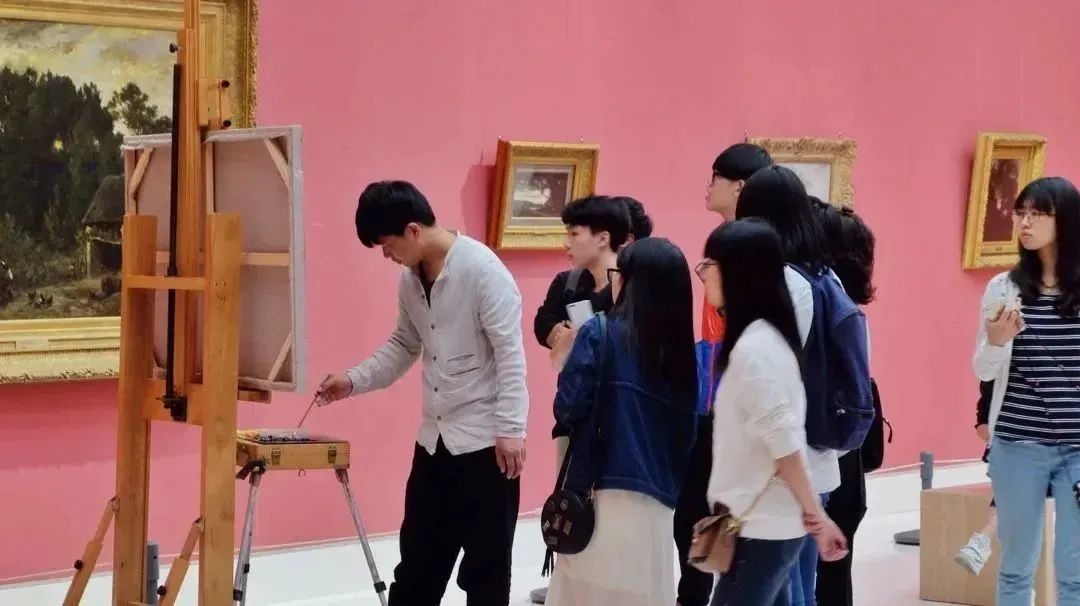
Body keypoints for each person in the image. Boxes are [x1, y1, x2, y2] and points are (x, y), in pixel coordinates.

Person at [315, 180, 528, 606]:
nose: (387, 255)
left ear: (413, 230)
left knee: (486, 574)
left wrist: (511, 429)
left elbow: (510, 355)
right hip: (434, 442)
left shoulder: (483, 272)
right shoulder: (410, 282)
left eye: (387, 245)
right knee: (417, 566)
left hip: (486, 445)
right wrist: (352, 380)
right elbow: (403, 344)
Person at [700, 219, 848, 606]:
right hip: (762, 521)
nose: (703, 275)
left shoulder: (756, 350)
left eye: (709, 265)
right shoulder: (764, 340)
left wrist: (817, 517)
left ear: (737, 273)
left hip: (762, 525)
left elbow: (784, 444)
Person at [545, 237, 699, 606]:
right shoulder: (682, 353)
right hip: (658, 501)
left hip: (598, 490)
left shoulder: (599, 331)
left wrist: (564, 358)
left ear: (630, 281)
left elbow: (568, 408)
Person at [736, 167, 860, 606]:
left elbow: (769, 376)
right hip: (813, 453)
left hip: (782, 459)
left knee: (779, 587)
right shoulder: (825, 276)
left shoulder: (784, 282)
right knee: (798, 583)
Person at [673, 143, 776, 606]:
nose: (707, 185)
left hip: (741, 399)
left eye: (716, 176)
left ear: (739, 186)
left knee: (738, 519)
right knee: (692, 513)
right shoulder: (723, 242)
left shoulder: (758, 251)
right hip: (710, 394)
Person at [973, 176, 1080, 606]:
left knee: (1075, 572)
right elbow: (982, 369)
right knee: (1017, 567)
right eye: (1020, 212)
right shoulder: (1004, 288)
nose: (1024, 222)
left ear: (1066, 220)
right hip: (1018, 445)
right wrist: (997, 341)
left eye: (1037, 213)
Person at [529, 195, 637, 604]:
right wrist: (559, 335)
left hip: (616, 417)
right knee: (570, 501)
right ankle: (568, 583)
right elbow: (543, 321)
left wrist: (581, 340)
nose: (566, 243)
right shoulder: (569, 282)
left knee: (613, 510)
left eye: (574, 234)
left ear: (603, 237)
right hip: (574, 411)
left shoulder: (630, 285)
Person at [811, 200, 877, 606]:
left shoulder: (838, 313)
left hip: (836, 454)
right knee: (833, 574)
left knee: (829, 574)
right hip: (843, 456)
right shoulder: (844, 310)